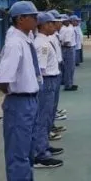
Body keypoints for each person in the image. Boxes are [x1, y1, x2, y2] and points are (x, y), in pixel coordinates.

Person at [0, 1, 53, 181]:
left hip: (29, 100)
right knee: (18, 153)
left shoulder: (24, 40)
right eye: (32, 16)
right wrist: (17, 94)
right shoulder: (14, 44)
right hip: (19, 102)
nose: (36, 19)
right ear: (21, 19)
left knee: (27, 150)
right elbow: (3, 80)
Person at [32, 12, 64, 169]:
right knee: (42, 116)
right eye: (51, 23)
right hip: (47, 81)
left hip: (50, 80)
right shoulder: (42, 44)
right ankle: (40, 153)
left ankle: (43, 145)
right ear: (43, 25)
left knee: (45, 115)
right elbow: (41, 69)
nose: (54, 26)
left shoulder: (44, 41)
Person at [58, 12, 77, 92]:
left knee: (67, 67)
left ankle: (68, 83)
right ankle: (68, 85)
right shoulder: (68, 29)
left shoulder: (64, 28)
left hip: (66, 48)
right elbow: (66, 41)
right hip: (68, 48)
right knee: (69, 67)